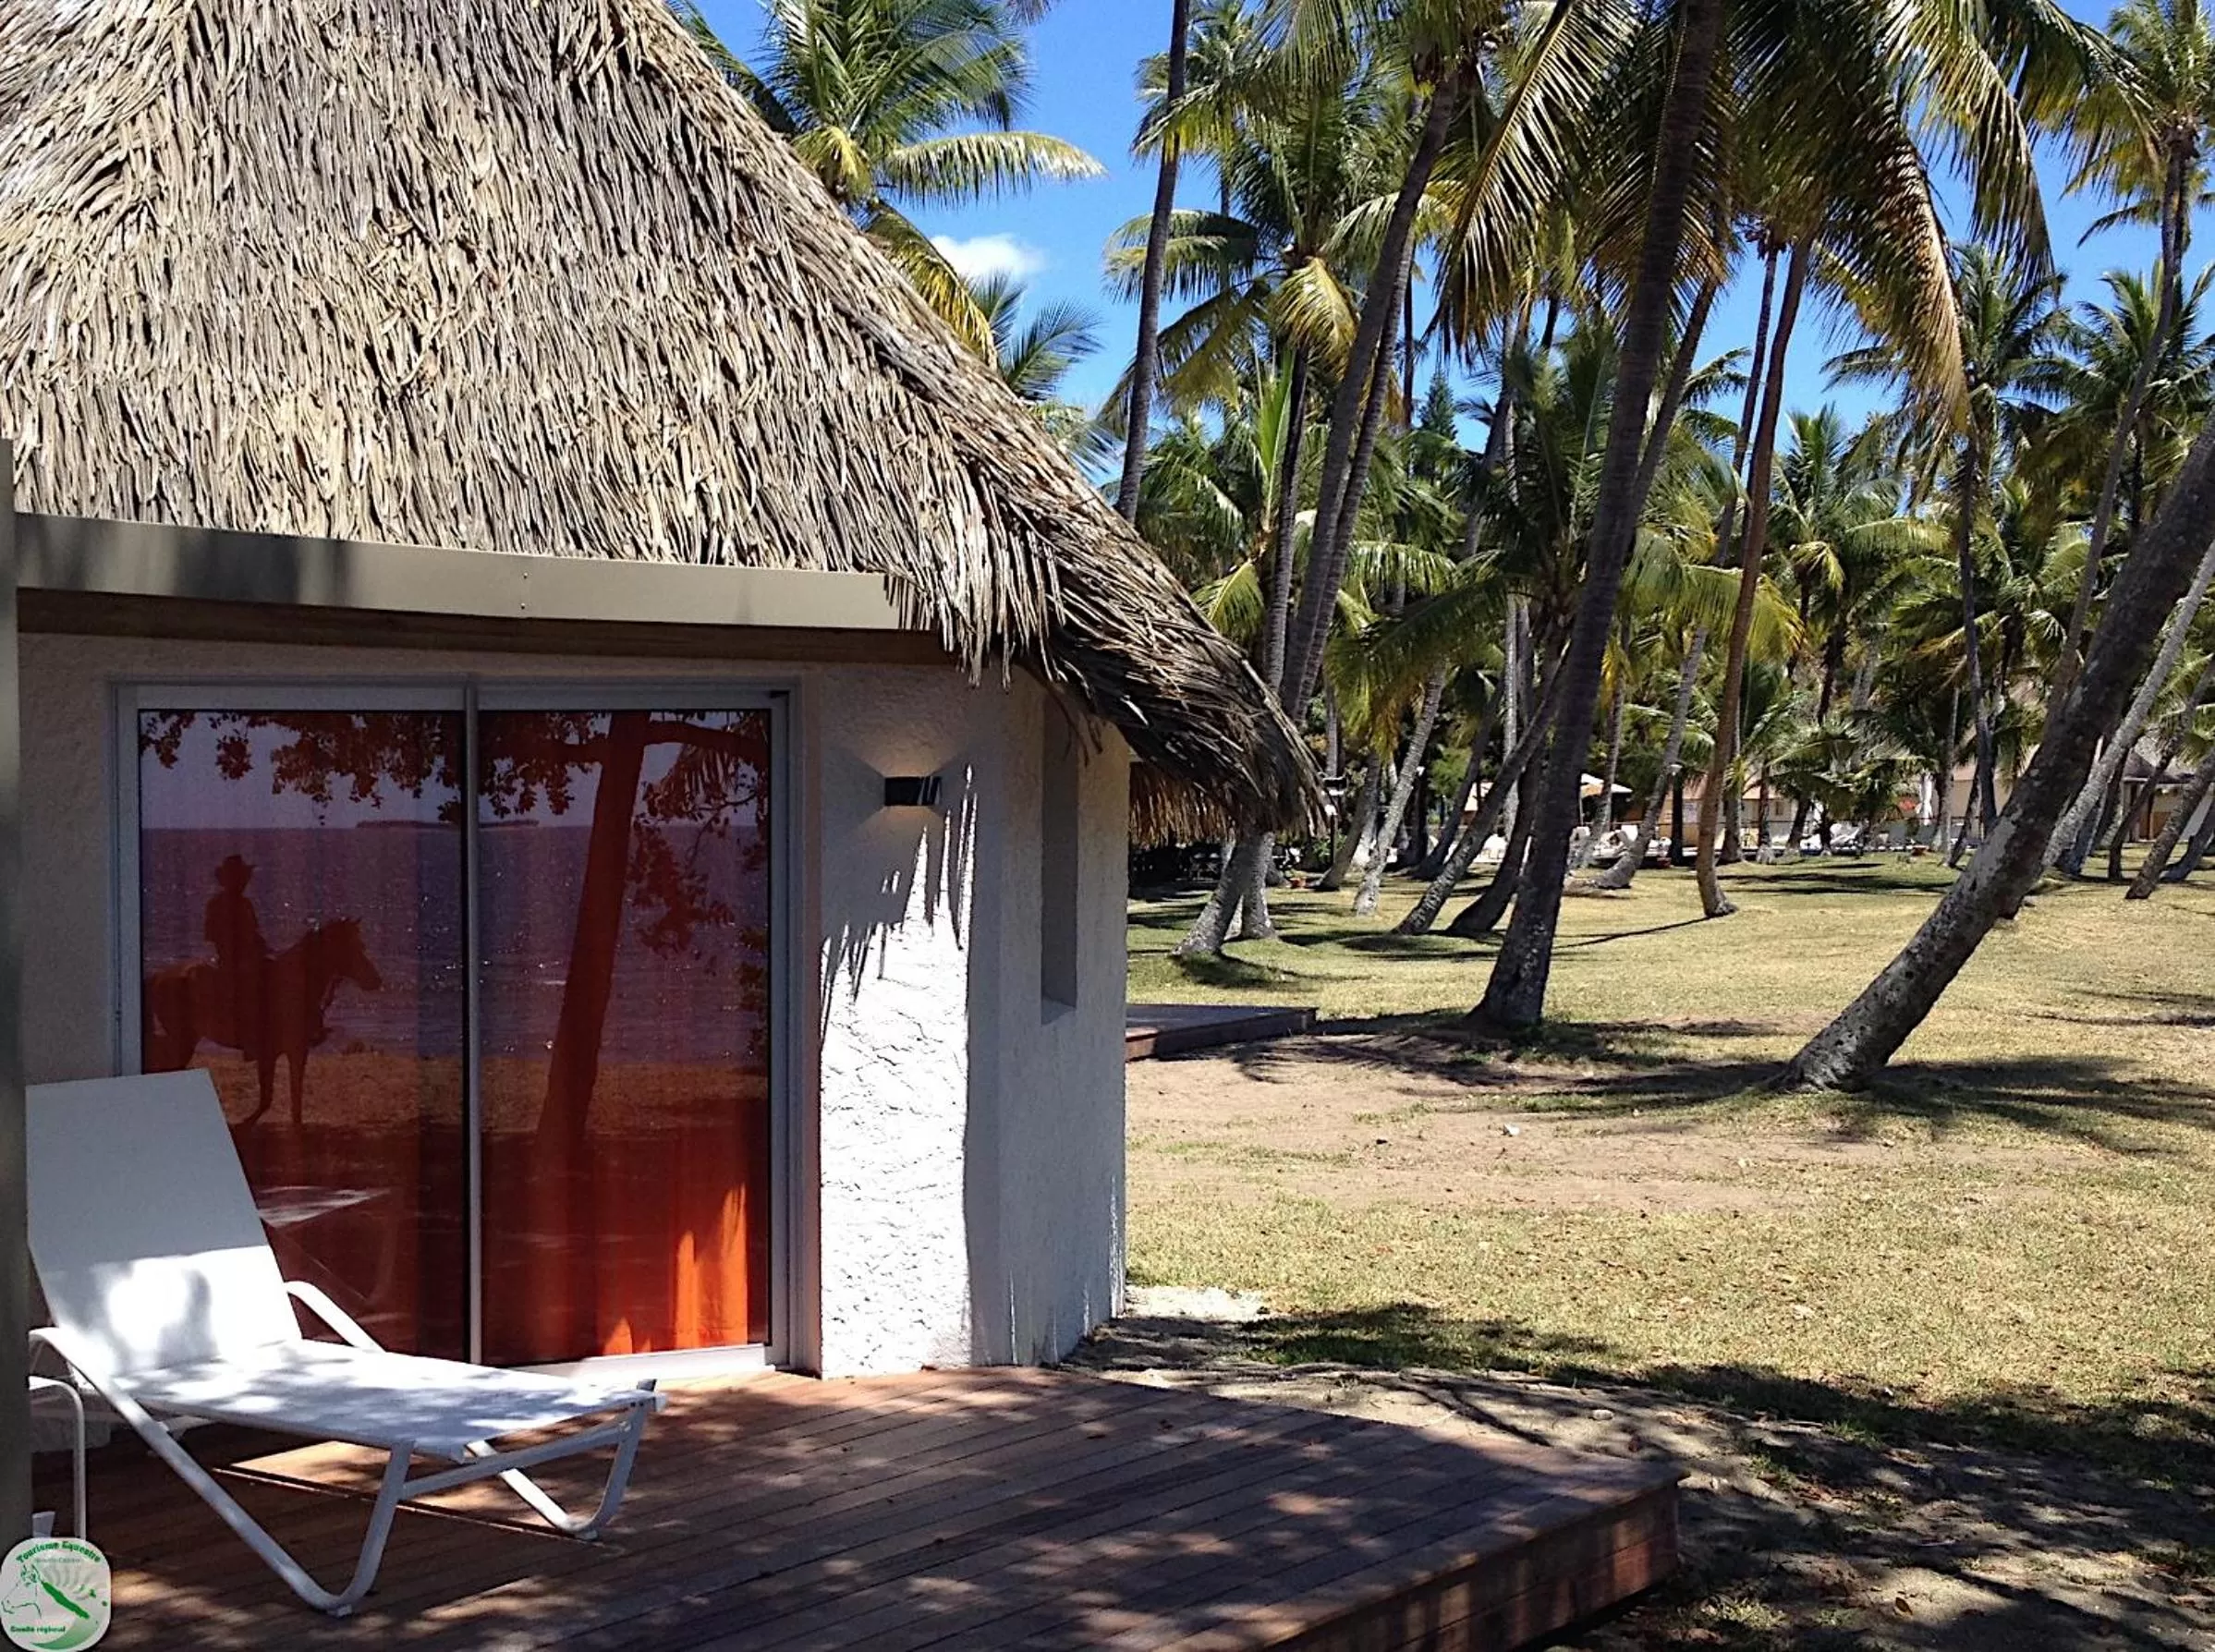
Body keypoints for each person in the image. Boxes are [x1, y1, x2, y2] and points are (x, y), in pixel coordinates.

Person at [205, 854, 272, 1053]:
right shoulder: (217, 904)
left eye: (244, 878)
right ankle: (250, 1039)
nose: (244, 882)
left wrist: (263, 947)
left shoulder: (245, 904)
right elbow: (214, 936)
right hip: (230, 960)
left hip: (250, 957)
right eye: (240, 878)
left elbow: (254, 933)